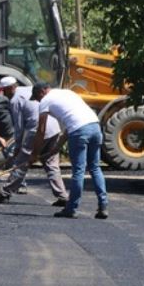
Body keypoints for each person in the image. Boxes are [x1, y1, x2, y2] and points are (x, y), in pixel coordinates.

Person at [30, 82, 109, 219]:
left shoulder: (45, 101)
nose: (38, 101)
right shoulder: (67, 93)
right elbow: (73, 123)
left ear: (41, 92)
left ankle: (71, 209)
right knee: (95, 168)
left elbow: (41, 130)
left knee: (78, 171)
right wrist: (56, 147)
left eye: (37, 98)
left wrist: (34, 154)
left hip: (79, 132)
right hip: (95, 127)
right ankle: (103, 206)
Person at [0, 77, 68, 205]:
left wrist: (17, 146)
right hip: (54, 128)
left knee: (20, 163)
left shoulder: (15, 100)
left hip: (38, 131)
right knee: (51, 164)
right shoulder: (29, 89)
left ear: (11, 88)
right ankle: (62, 196)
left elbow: (19, 126)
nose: (4, 94)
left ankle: (4, 194)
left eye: (4, 91)